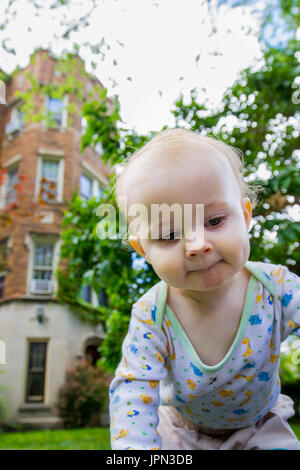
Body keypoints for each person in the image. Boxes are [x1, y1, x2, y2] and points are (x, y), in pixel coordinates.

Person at [109, 128, 300, 450]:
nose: (197, 245)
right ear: (143, 250)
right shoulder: (152, 315)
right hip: (181, 433)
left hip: (261, 426)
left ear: (244, 215)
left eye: (213, 221)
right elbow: (134, 389)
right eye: (169, 235)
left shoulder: (277, 288)